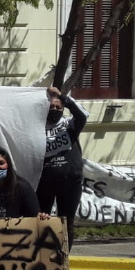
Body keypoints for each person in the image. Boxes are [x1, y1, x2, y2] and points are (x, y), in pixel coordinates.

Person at [37, 86, 88, 250]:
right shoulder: (36, 128)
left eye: (58, 107)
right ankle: (43, 254)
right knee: (40, 219)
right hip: (44, 182)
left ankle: (64, 255)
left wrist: (62, 97)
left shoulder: (69, 124)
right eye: (51, 106)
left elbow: (82, 114)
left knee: (67, 221)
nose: (55, 109)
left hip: (69, 182)